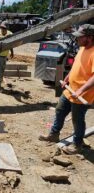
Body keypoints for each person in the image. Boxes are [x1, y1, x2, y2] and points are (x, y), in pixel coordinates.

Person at [39, 24, 94, 155]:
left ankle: (77, 144)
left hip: (82, 94)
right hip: (70, 90)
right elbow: (77, 64)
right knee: (60, 111)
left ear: (90, 37)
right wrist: (68, 77)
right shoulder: (82, 48)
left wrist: (81, 90)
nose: (77, 39)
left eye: (80, 37)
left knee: (77, 119)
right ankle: (54, 134)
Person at [0, 21, 14, 91]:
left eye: (5, 28)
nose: (3, 29)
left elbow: (11, 44)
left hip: (4, 55)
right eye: (2, 28)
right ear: (0, 27)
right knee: (0, 71)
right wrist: (6, 37)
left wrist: (12, 52)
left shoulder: (10, 33)